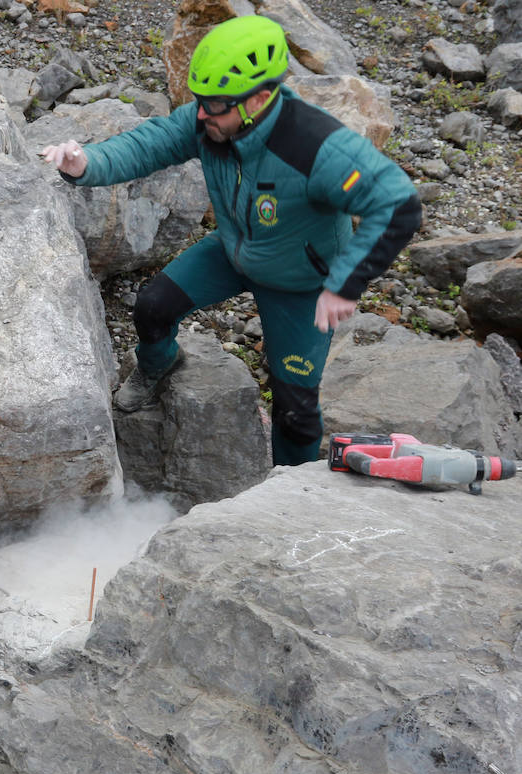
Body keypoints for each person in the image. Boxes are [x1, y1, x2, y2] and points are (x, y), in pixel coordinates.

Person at [42, 14, 421, 465]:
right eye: (199, 99)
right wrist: (85, 164)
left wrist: (347, 280)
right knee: (152, 307)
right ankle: (157, 365)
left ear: (259, 98)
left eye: (215, 103)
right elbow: (149, 144)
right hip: (235, 250)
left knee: (296, 409)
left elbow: (398, 204)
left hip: (301, 283)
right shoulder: (211, 120)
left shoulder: (316, 147)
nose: (201, 112)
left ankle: (289, 491)